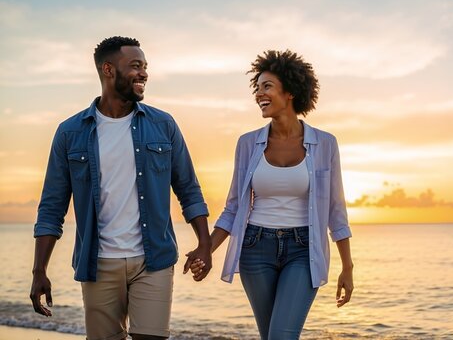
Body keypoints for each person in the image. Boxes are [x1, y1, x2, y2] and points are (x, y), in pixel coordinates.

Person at [29, 36, 212, 340]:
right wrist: (39, 271)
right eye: (135, 66)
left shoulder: (163, 125)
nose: (144, 74)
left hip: (153, 260)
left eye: (145, 67)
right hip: (98, 263)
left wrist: (204, 243)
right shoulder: (70, 132)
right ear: (109, 70)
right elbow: (52, 207)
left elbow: (189, 189)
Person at [187, 49, 354, 340]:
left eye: (267, 87)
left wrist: (347, 267)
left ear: (289, 92)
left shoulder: (325, 144)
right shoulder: (248, 143)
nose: (259, 94)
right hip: (255, 248)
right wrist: (207, 248)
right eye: (257, 87)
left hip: (304, 250)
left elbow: (336, 212)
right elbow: (234, 207)